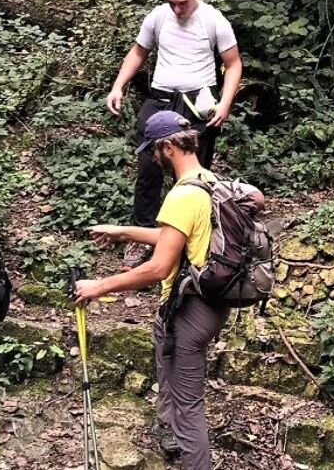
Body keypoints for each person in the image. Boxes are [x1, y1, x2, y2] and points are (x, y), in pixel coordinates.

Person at [75, 110, 237, 470]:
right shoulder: (208, 182)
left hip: (189, 313)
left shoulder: (182, 195)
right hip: (209, 305)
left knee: (188, 406)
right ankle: (172, 443)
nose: (152, 158)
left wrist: (98, 287)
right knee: (179, 397)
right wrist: (124, 230)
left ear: (168, 146)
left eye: (154, 151)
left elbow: (159, 266)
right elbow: (177, 237)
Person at [105, 0, 242, 266]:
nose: (177, 10)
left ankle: (197, 240)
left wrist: (225, 103)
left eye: (182, 3)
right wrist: (118, 86)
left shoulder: (213, 20)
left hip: (198, 103)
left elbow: (233, 65)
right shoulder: (158, 17)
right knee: (148, 169)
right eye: (171, 3)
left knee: (195, 175)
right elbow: (138, 52)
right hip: (161, 99)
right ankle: (142, 239)